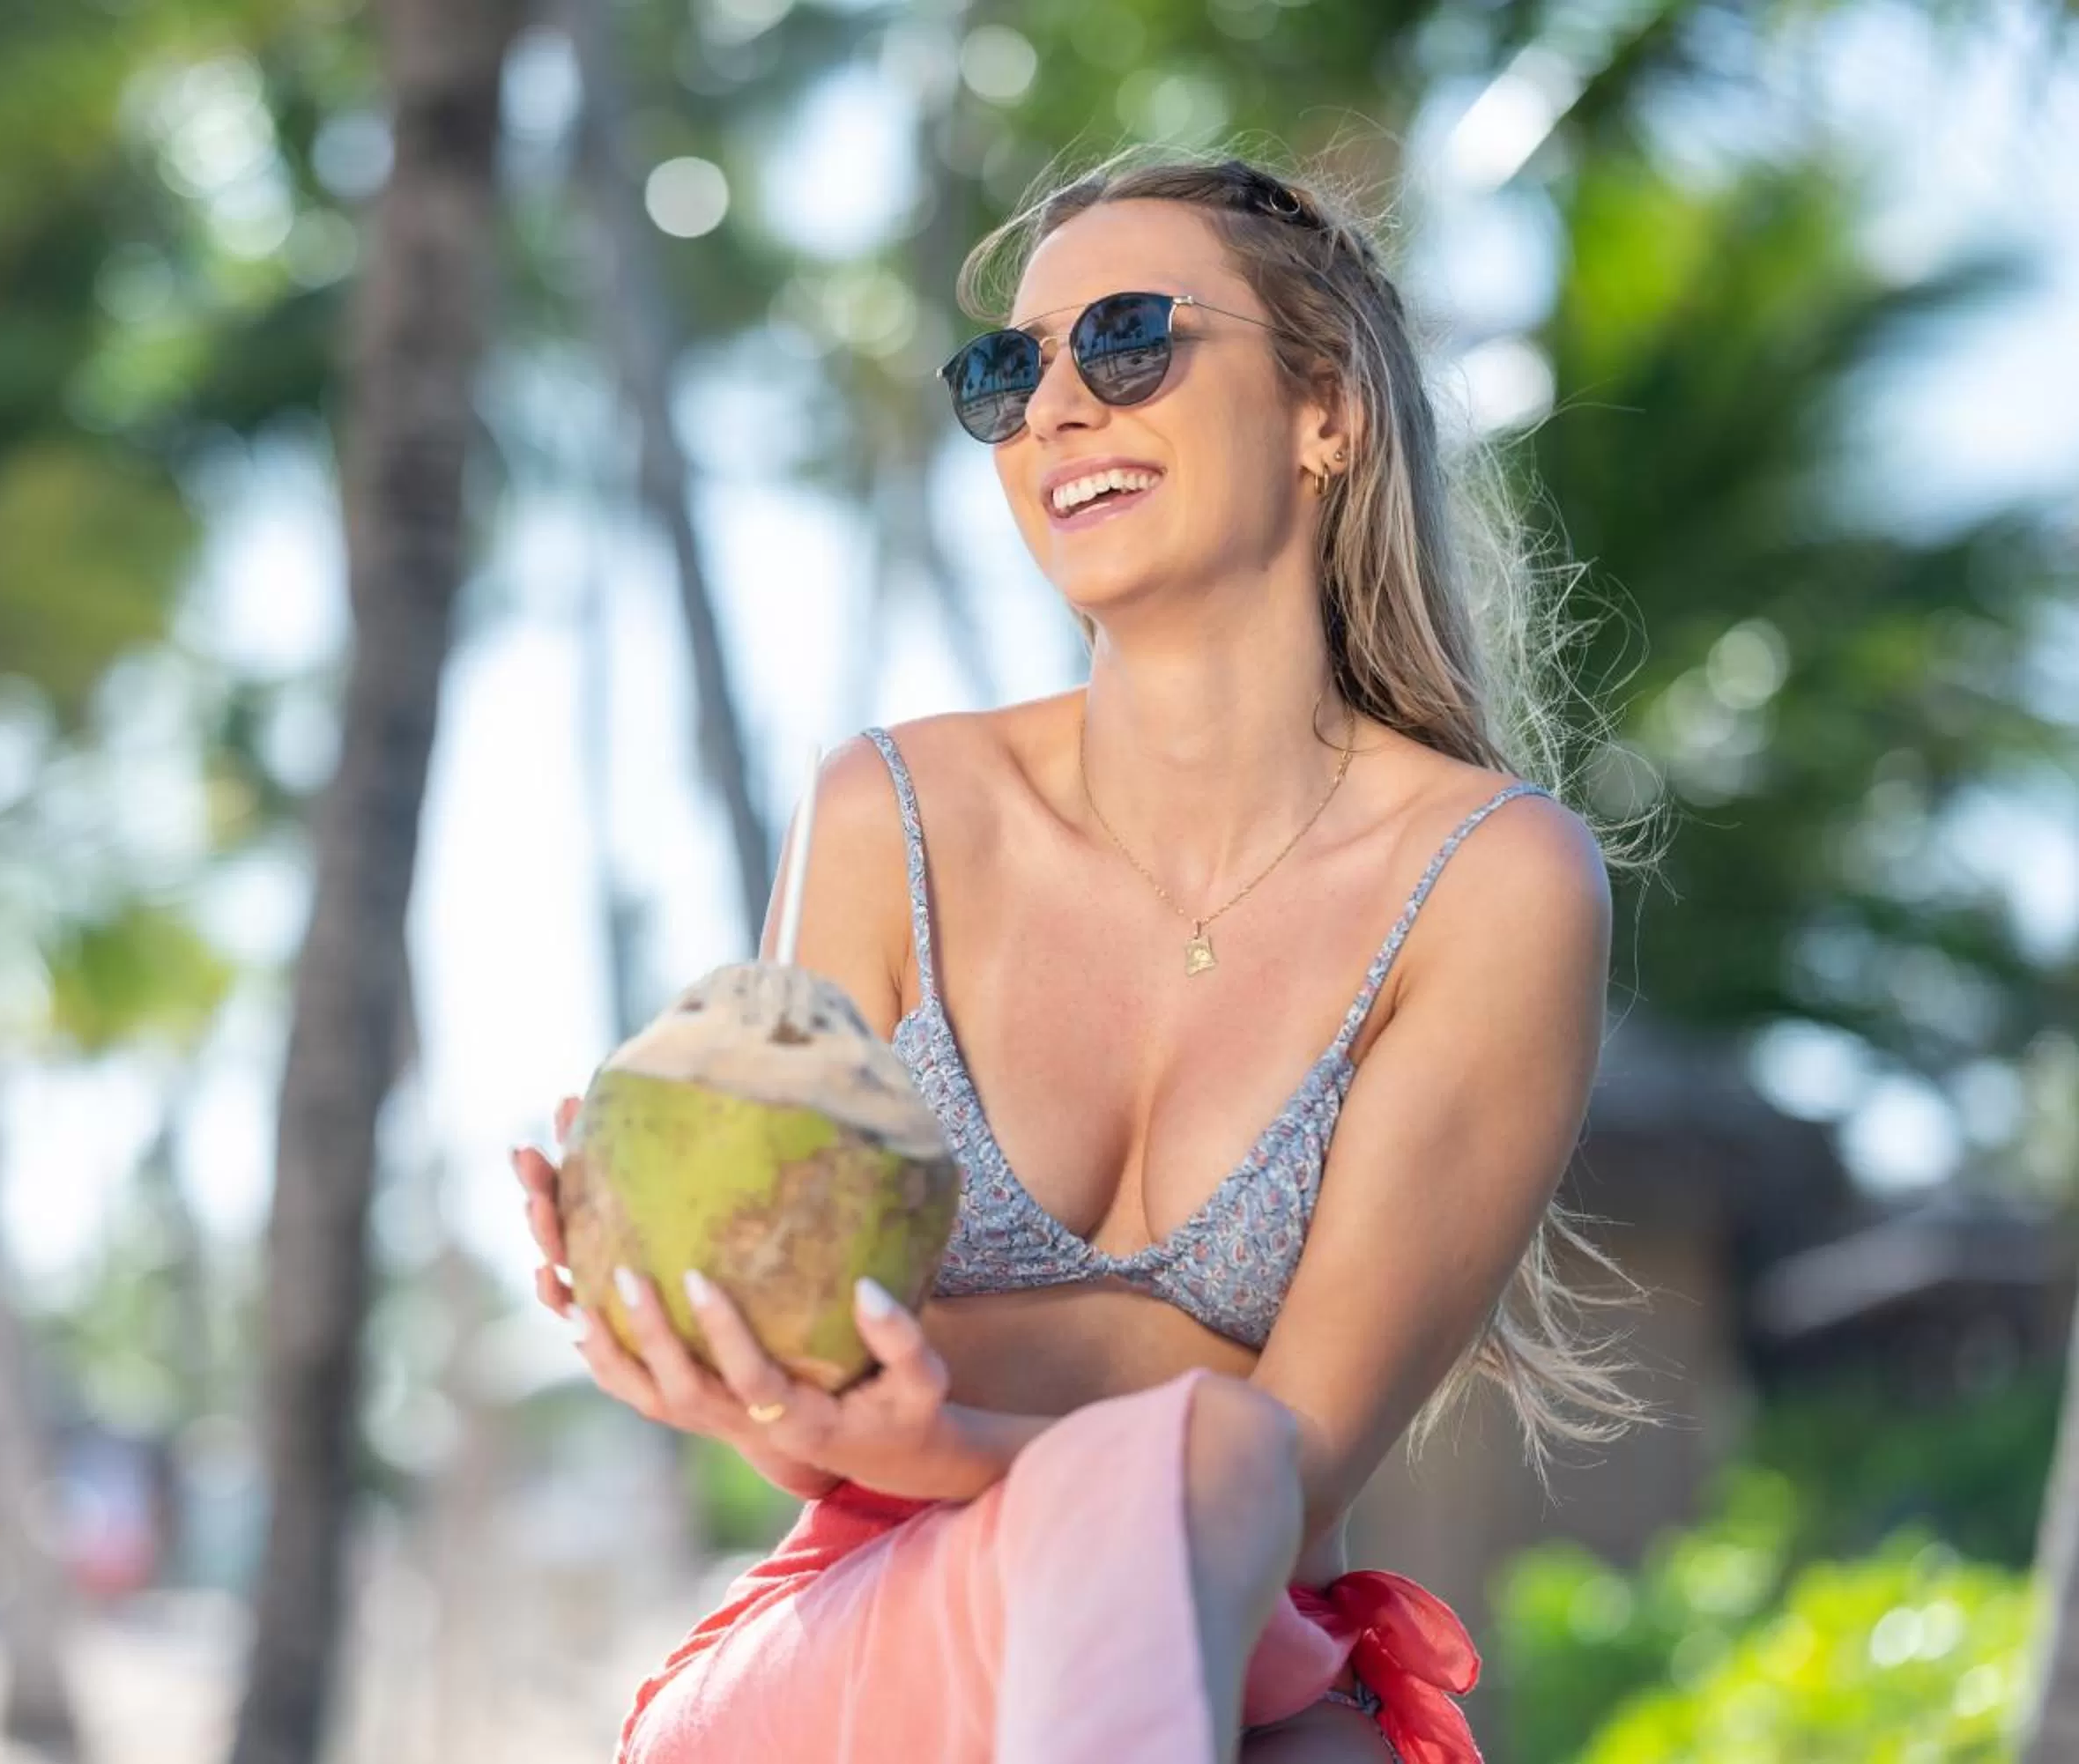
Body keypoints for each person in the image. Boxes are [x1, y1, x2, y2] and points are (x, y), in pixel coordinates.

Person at [510, 146, 1652, 1763]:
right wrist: (699, 1336)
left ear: (1327, 411)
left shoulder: (1489, 880)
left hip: (1227, 1647)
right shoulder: (890, 813)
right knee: (1206, 1461)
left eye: (1125, 338)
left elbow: (1299, 1459)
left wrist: (945, 1434)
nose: (1053, 407)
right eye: (1005, 371)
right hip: (866, 1636)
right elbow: (821, 1401)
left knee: (1237, 1513)